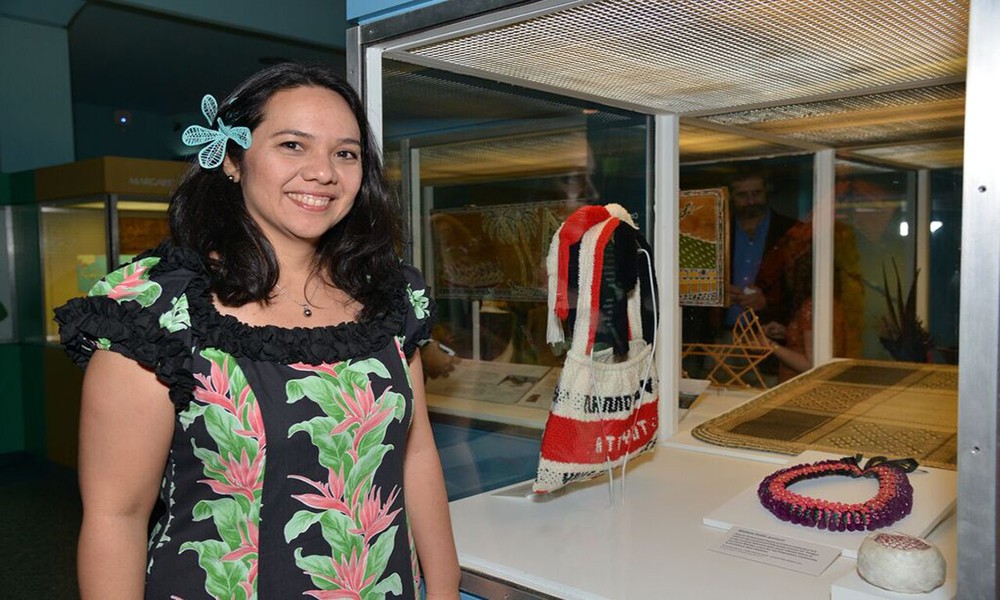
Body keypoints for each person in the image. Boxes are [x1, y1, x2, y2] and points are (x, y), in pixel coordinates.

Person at [55, 63, 460, 599]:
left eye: (346, 152)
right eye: (293, 145)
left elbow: (415, 454)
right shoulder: (161, 311)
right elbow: (116, 516)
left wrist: (445, 584)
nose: (323, 172)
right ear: (231, 159)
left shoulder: (389, 297)